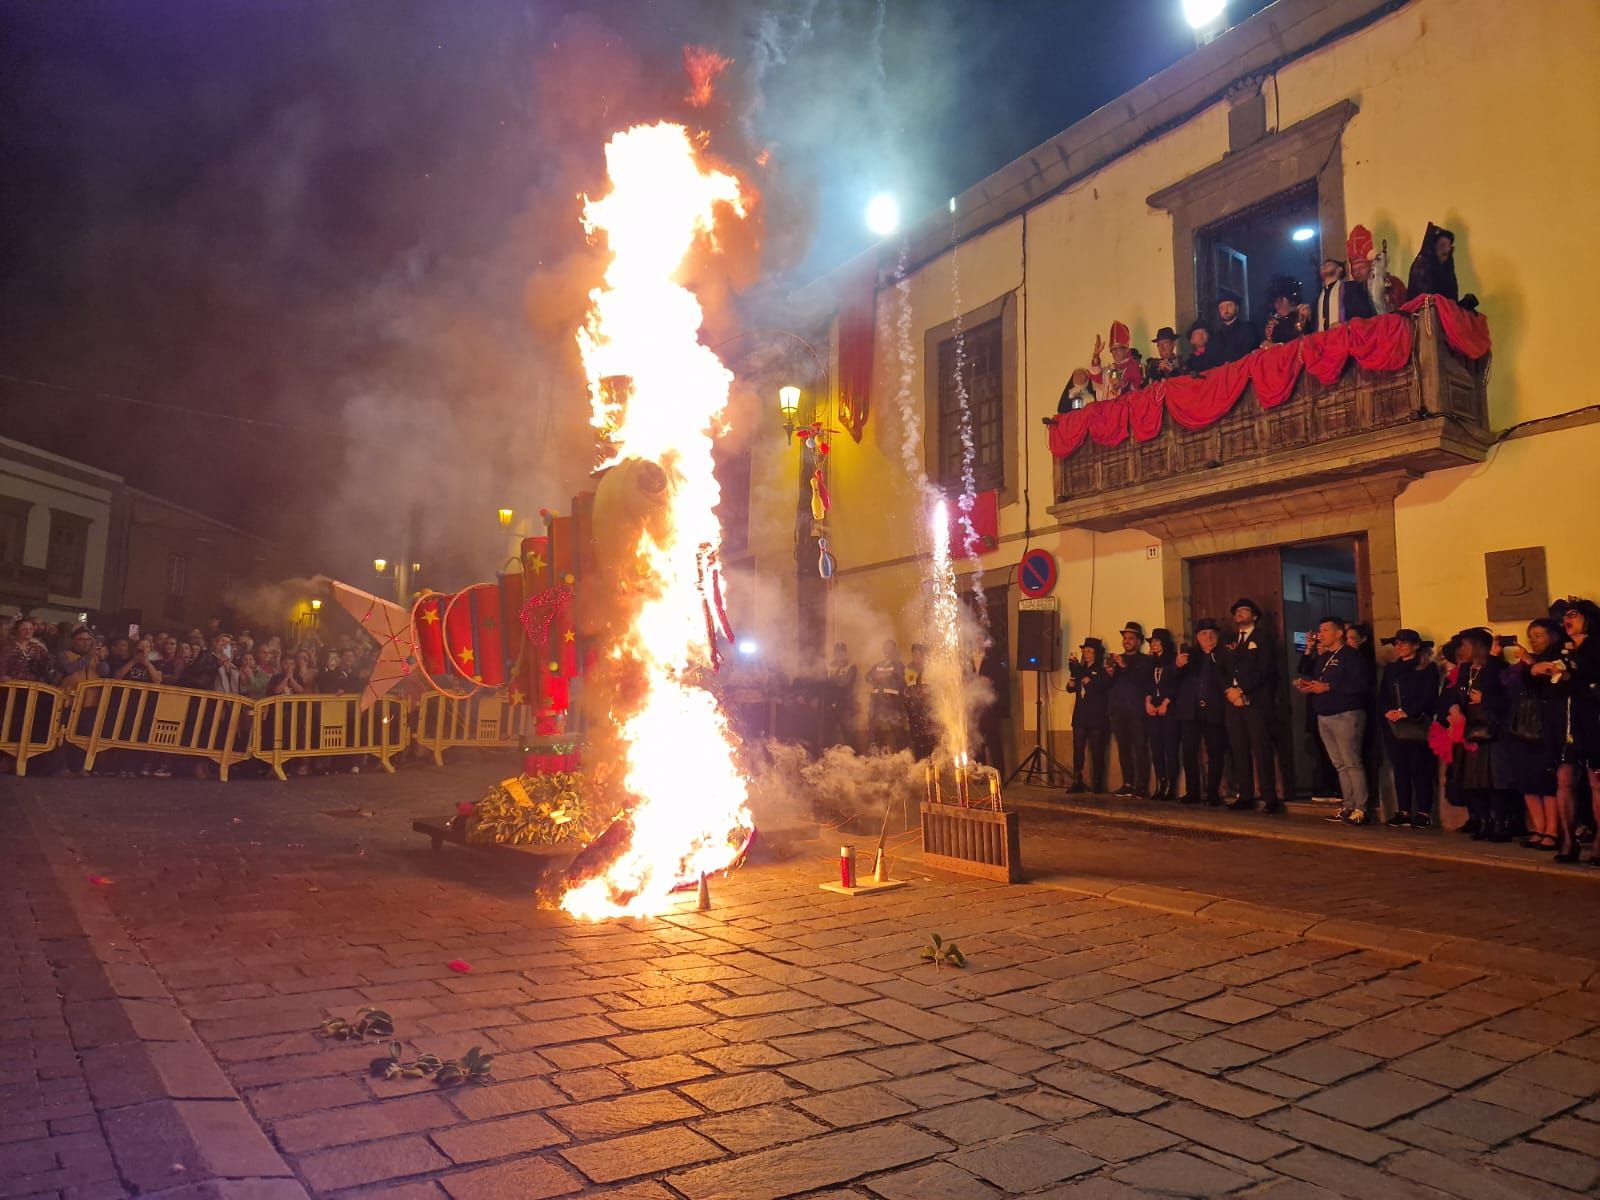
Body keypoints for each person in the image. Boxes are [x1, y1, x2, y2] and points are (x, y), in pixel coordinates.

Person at [1295, 616, 1375, 825]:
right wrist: (1309, 686)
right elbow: (1315, 677)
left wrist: (1328, 688)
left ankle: (1361, 808)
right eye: (1320, 630)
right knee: (1339, 764)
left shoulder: (1351, 656)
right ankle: (1348, 805)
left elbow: (1360, 684)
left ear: (1339, 633)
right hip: (1324, 715)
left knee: (1352, 762)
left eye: (1325, 630)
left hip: (1346, 714)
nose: (1320, 634)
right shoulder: (1324, 657)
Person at [1435, 628, 1507, 840]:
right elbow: (1457, 695)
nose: (1461, 650)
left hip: (1492, 728)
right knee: (1473, 779)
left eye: (1465, 645)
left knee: (1494, 779)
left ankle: (1499, 822)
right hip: (1471, 728)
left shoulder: (1497, 668)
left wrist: (1484, 699)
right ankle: (1482, 819)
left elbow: (1504, 696)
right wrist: (1455, 708)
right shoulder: (1465, 670)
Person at [1506, 619, 1567, 851]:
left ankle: (1553, 829)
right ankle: (1538, 827)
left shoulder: (1559, 658)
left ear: (1552, 636)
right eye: (1531, 635)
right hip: (1522, 727)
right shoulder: (1526, 662)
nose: (1533, 640)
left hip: (1547, 726)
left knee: (1546, 781)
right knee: (1527, 780)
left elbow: (1551, 688)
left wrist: (1532, 664)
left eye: (1539, 635)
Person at [1222, 598, 1281, 813]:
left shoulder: (1262, 638)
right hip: (1233, 702)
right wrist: (1229, 691)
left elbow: (1265, 669)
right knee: (1239, 749)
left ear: (1254, 616)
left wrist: (1242, 689)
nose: (1239, 613)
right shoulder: (1229, 639)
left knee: (1261, 749)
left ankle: (1269, 797)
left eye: (1244, 610)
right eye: (1237, 611)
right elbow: (1221, 668)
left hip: (1256, 702)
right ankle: (1245, 795)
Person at [1379, 629, 1440, 828]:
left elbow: (1429, 696)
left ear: (1415, 645)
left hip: (1416, 723)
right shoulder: (1391, 669)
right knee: (1400, 767)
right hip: (1394, 724)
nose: (1400, 647)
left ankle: (1423, 811)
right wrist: (1389, 710)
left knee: (1420, 767)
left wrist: (1408, 711)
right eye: (1397, 643)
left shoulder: (1426, 668)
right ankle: (1403, 810)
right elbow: (1384, 694)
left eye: (1404, 643)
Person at [1556, 598, 1600, 864]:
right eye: (1565, 616)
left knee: (1596, 781)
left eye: (1573, 614)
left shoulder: (1595, 648)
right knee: (1564, 780)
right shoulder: (1561, 650)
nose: (1567, 620)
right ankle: (1568, 840)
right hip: (1566, 724)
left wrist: (1571, 670)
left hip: (1593, 721)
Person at [1176, 619, 1229, 806]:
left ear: (1217, 636)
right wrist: (1177, 666)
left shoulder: (1224, 654)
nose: (1208, 637)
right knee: (1189, 751)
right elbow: (1172, 681)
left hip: (1214, 710)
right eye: (1204, 634)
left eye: (1212, 634)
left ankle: (1213, 793)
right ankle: (1193, 792)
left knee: (1215, 752)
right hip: (1190, 712)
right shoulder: (1189, 655)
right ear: (1197, 637)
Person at [1105, 621, 1152, 797]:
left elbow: (1142, 681)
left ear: (1139, 641)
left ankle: (1142, 786)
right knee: (1123, 748)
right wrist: (1110, 673)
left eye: (1131, 638)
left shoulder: (1145, 661)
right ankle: (1127, 782)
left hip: (1137, 711)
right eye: (1125, 638)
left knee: (1140, 748)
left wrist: (1124, 666)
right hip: (1118, 711)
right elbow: (1109, 685)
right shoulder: (1116, 660)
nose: (1127, 641)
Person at [1065, 637, 1110, 794]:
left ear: (1097, 653)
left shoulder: (1101, 670)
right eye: (1084, 651)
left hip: (1097, 715)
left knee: (1097, 750)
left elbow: (1093, 686)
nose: (1086, 654)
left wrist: (1079, 670)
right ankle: (1077, 780)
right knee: (1078, 749)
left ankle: (1098, 782)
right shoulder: (1080, 669)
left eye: (1090, 651)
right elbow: (1070, 688)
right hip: (1080, 715)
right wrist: (1072, 674)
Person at [1144, 628, 1180, 802]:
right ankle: (1160, 783)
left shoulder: (1173, 662)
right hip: (1153, 710)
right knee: (1156, 748)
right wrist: (1148, 703)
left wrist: (1166, 702)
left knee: (1170, 748)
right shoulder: (1151, 663)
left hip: (1169, 709)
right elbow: (1148, 686)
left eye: (1157, 642)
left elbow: (1176, 684)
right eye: (1152, 642)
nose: (1154, 645)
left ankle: (1171, 787)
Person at [1306, 258, 1375, 332]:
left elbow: (1365, 314)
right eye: (1322, 265)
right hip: (1324, 342)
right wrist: (1306, 319)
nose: (1323, 266)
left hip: (1347, 339)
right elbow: (1312, 331)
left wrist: (1347, 325)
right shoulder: (1316, 301)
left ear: (1340, 269)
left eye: (1328, 264)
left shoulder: (1352, 288)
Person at [1346, 225, 1402, 315]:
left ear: (1371, 266)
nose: (1357, 272)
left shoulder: (1394, 284)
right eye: (1354, 269)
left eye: (1361, 268)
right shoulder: (1350, 293)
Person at [865, 639, 907, 754]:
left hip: (892, 703)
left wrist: (882, 676)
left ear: (894, 649)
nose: (887, 649)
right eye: (886, 647)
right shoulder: (878, 665)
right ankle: (876, 755)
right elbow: (868, 677)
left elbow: (901, 682)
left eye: (890, 647)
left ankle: (905, 755)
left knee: (897, 730)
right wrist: (879, 676)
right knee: (875, 729)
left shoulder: (899, 665)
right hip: (877, 701)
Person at [1089, 321, 1144, 400]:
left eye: (1117, 349)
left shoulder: (1133, 366)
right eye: (1112, 350)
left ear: (1126, 349)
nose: (1114, 352)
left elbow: (1136, 387)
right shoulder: (1111, 369)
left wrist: (1122, 383)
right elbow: (1096, 377)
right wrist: (1096, 355)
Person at [1210, 290, 1260, 366]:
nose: (1225, 310)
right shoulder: (1216, 338)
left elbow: (1249, 351)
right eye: (1221, 307)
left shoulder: (1248, 328)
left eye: (1229, 305)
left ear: (1237, 307)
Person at [904, 643, 936, 760]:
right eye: (914, 654)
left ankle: (932, 760)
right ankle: (920, 761)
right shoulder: (910, 668)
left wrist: (926, 692)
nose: (916, 657)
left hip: (928, 707)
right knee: (917, 736)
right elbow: (909, 685)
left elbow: (934, 686)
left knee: (930, 735)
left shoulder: (931, 667)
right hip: (915, 708)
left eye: (918, 654)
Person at [1261, 277, 1306, 345]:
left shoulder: (1301, 316)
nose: (1275, 305)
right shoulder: (1276, 322)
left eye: (1276, 300)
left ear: (1285, 299)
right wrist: (1269, 338)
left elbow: (1298, 341)